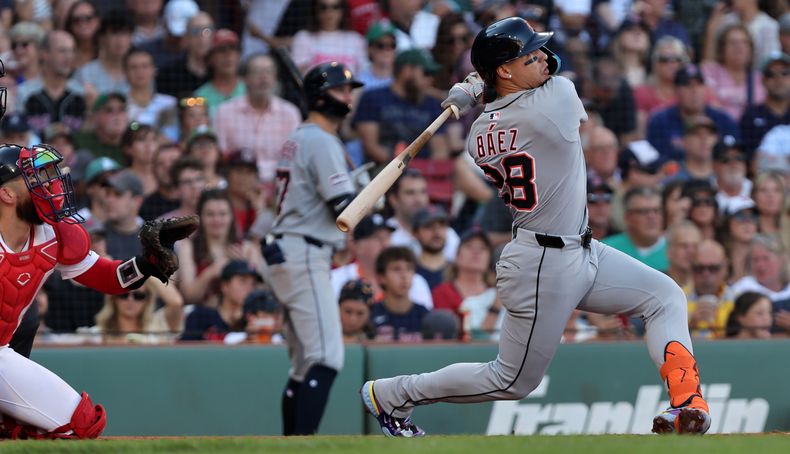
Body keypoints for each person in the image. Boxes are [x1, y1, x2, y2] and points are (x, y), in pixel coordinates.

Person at [360, 17, 711, 437]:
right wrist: (481, 84)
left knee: (664, 295)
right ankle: (392, 394)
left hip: (576, 248)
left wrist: (477, 88)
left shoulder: (476, 135)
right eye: (530, 54)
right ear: (506, 70)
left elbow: (517, 87)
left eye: (539, 50)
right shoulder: (556, 100)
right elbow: (559, 69)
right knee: (511, 380)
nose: (543, 57)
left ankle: (686, 403)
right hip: (544, 262)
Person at [0, 141, 191, 438]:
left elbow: (108, 277)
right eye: (35, 178)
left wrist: (147, 263)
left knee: (83, 424)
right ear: (7, 193)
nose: (49, 185)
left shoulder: (54, 235)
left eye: (48, 175)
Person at [260, 62, 363, 436]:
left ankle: (292, 444)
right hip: (303, 251)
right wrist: (372, 195)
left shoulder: (300, 136)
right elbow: (345, 209)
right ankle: (303, 445)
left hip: (289, 248)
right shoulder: (320, 139)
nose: (348, 96)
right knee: (326, 358)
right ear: (320, 96)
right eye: (341, 90)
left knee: (305, 363)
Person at [181, 259, 261, 341]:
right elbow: (184, 351)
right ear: (225, 286)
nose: (249, 288)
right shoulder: (200, 317)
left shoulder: (254, 321)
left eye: (253, 284)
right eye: (242, 281)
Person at [369, 246, 430, 342]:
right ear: (381, 278)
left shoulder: (425, 315)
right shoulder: (371, 315)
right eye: (396, 269)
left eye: (409, 269)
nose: (404, 276)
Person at [686, 239, 735, 339]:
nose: (706, 274)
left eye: (713, 268)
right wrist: (689, 326)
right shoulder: (675, 298)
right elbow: (651, 341)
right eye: (699, 268)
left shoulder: (737, 300)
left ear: (725, 267)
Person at [194, 29, 245, 119]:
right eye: (221, 50)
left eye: (233, 49)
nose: (228, 55)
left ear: (239, 56)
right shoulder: (199, 96)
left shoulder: (250, 91)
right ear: (210, 58)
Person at [337, 278, 374, 342]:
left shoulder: (379, 344)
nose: (353, 319)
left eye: (360, 313)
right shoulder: (323, 340)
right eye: (348, 311)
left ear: (369, 313)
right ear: (338, 309)